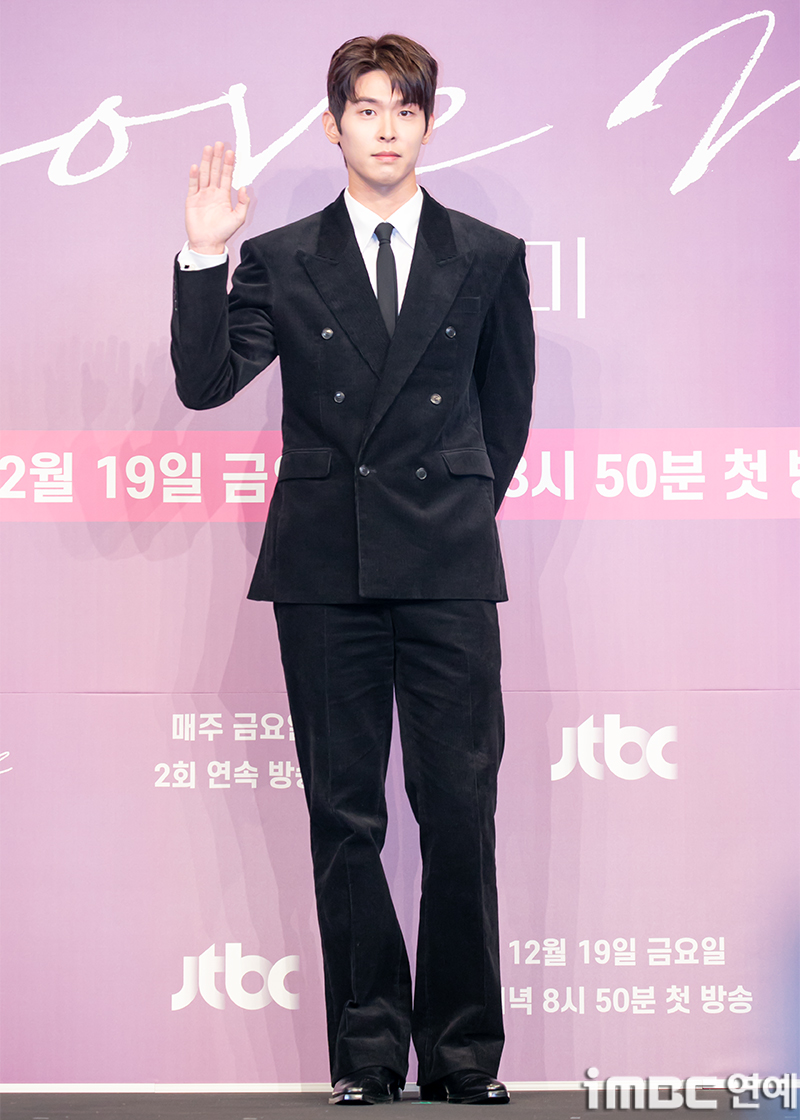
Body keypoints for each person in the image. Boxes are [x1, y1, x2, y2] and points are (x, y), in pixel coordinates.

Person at [170, 34, 534, 1106]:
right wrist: (201, 257)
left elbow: (503, 414)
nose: (385, 129)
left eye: (403, 110)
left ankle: (463, 1055)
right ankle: (368, 1052)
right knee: (344, 818)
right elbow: (204, 381)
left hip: (447, 565)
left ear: (428, 123)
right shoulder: (282, 257)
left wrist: (451, 514)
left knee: (459, 809)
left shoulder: (488, 254)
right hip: (327, 567)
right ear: (333, 126)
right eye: (365, 110)